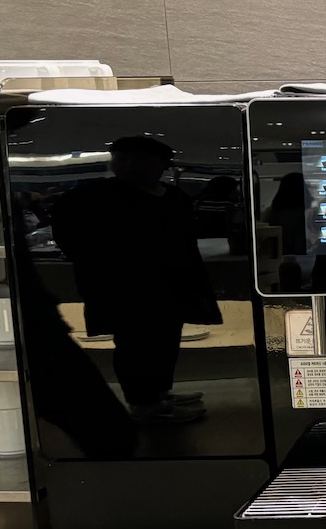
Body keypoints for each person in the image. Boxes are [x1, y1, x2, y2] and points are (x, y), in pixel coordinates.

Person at [51, 136, 221, 423]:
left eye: (138, 159)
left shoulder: (174, 197)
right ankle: (144, 405)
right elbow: (69, 237)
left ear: (162, 164)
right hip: (123, 289)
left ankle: (159, 393)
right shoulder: (92, 197)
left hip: (171, 286)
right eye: (121, 158)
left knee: (165, 342)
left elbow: (185, 242)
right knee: (135, 345)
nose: (128, 165)